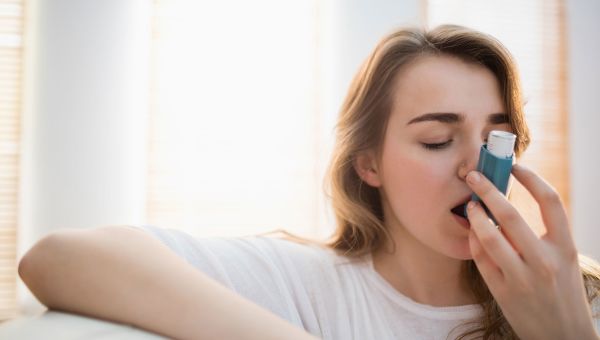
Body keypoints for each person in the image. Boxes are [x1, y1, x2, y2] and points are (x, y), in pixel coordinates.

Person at [18, 24, 600, 339]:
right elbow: (58, 258)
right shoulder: (310, 287)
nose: (476, 171)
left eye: (497, 140)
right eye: (435, 140)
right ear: (368, 164)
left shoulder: (578, 299)